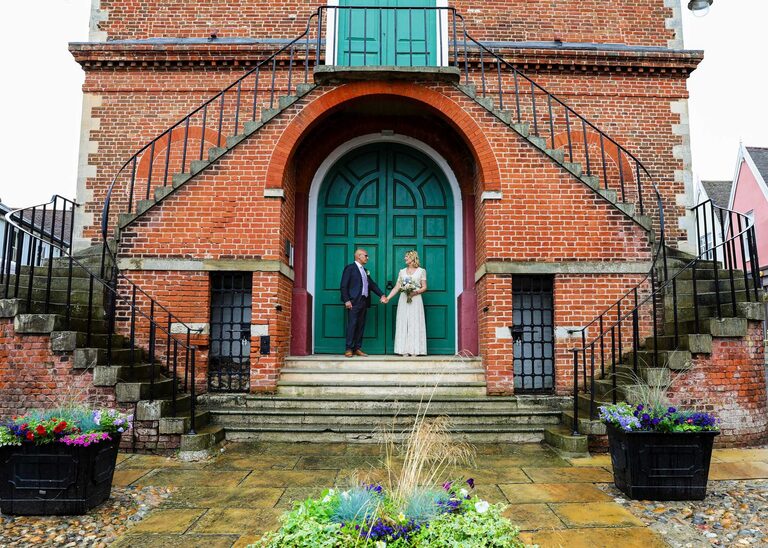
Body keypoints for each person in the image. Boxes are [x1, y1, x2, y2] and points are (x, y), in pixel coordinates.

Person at [340, 248, 386, 357]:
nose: (367, 258)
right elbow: (343, 285)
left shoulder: (365, 271)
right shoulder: (350, 268)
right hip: (353, 301)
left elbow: (372, 284)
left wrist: (382, 294)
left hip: (364, 301)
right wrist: (346, 300)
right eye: (366, 255)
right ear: (359, 256)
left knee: (360, 325)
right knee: (352, 325)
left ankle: (357, 348)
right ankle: (349, 349)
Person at [385, 250, 427, 356]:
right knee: (403, 322)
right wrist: (388, 298)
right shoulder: (402, 271)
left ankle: (415, 350)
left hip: (416, 299)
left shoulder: (421, 271)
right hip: (403, 299)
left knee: (415, 322)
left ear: (413, 258)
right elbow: (397, 287)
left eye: (406, 257)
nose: (405, 258)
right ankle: (403, 350)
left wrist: (415, 292)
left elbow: (425, 287)